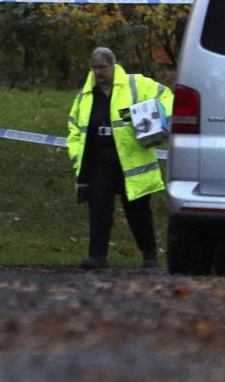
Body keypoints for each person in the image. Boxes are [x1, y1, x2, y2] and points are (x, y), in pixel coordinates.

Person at [65, 46, 174, 269]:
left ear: (113, 65)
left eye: (103, 67)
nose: (98, 72)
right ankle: (97, 257)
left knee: (139, 212)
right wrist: (77, 158)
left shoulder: (136, 85)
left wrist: (159, 121)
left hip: (131, 163)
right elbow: (74, 129)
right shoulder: (85, 95)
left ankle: (149, 256)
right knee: (99, 210)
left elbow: (168, 96)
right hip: (99, 164)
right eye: (94, 68)